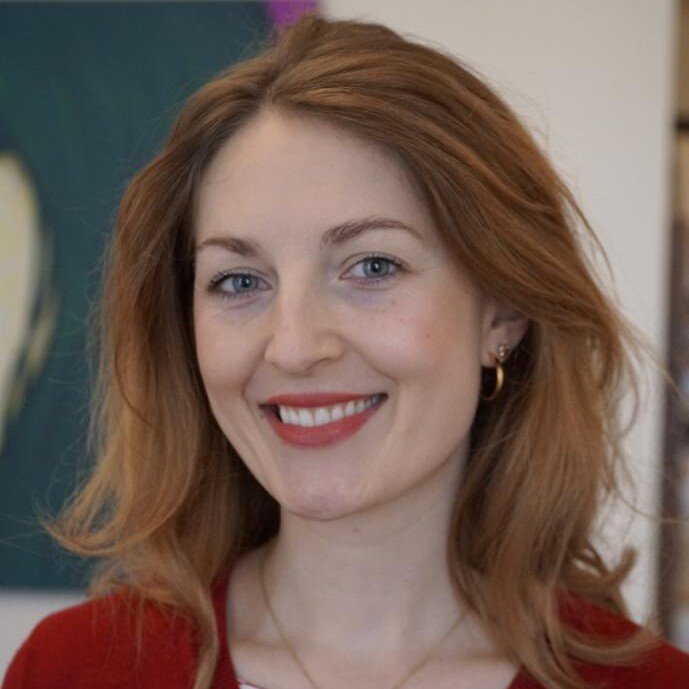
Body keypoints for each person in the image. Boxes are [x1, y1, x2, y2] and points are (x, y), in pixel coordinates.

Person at [4, 11, 689, 689]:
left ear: (503, 312)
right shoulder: (73, 670)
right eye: (239, 280)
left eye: (371, 267)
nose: (294, 346)